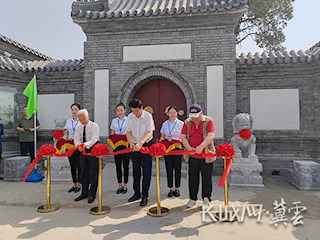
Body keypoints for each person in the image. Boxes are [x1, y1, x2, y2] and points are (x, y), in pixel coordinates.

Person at [181, 104, 216, 210]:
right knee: (192, 178)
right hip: (192, 156)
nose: (194, 118)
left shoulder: (208, 121)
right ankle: (192, 198)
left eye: (196, 116)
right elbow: (182, 136)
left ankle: (206, 199)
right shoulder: (187, 122)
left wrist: (201, 146)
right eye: (192, 116)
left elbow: (211, 135)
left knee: (206, 178)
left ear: (201, 113)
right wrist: (188, 147)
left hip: (206, 155)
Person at [126, 99, 155, 207]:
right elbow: (128, 132)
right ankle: (136, 193)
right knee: (135, 170)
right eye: (133, 111)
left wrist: (141, 143)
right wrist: (130, 143)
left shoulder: (147, 116)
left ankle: (145, 195)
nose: (135, 113)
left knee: (146, 171)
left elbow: (150, 132)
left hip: (145, 145)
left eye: (136, 111)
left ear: (141, 108)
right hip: (134, 146)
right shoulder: (130, 117)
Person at [74, 109, 100, 204]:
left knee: (93, 172)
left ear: (88, 117)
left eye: (84, 119)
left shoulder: (94, 126)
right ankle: (84, 192)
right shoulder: (78, 127)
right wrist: (78, 146)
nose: (83, 121)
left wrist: (84, 145)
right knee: (83, 172)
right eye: (80, 120)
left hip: (93, 150)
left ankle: (92, 193)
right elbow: (76, 138)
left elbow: (94, 139)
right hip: (82, 151)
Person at [159, 106, 184, 198]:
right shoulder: (165, 124)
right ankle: (170, 188)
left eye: (174, 112)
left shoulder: (181, 124)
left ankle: (177, 188)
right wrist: (160, 145)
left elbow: (184, 136)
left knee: (177, 169)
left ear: (177, 113)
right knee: (169, 168)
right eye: (170, 113)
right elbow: (162, 136)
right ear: (168, 113)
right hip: (168, 148)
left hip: (177, 148)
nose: (172, 114)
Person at [109, 103, 130, 194]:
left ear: (125, 110)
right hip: (117, 146)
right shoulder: (114, 121)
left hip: (126, 145)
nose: (120, 112)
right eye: (118, 110)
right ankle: (119, 185)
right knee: (118, 166)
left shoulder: (128, 120)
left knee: (125, 165)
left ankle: (125, 185)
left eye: (121, 110)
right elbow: (113, 132)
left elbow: (130, 132)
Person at [63, 103, 81, 193]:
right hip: (69, 145)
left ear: (79, 111)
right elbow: (66, 133)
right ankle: (74, 184)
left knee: (79, 165)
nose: (74, 111)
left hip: (78, 145)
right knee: (72, 165)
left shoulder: (81, 120)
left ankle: (79, 184)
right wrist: (62, 141)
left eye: (75, 109)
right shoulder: (68, 121)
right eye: (72, 110)